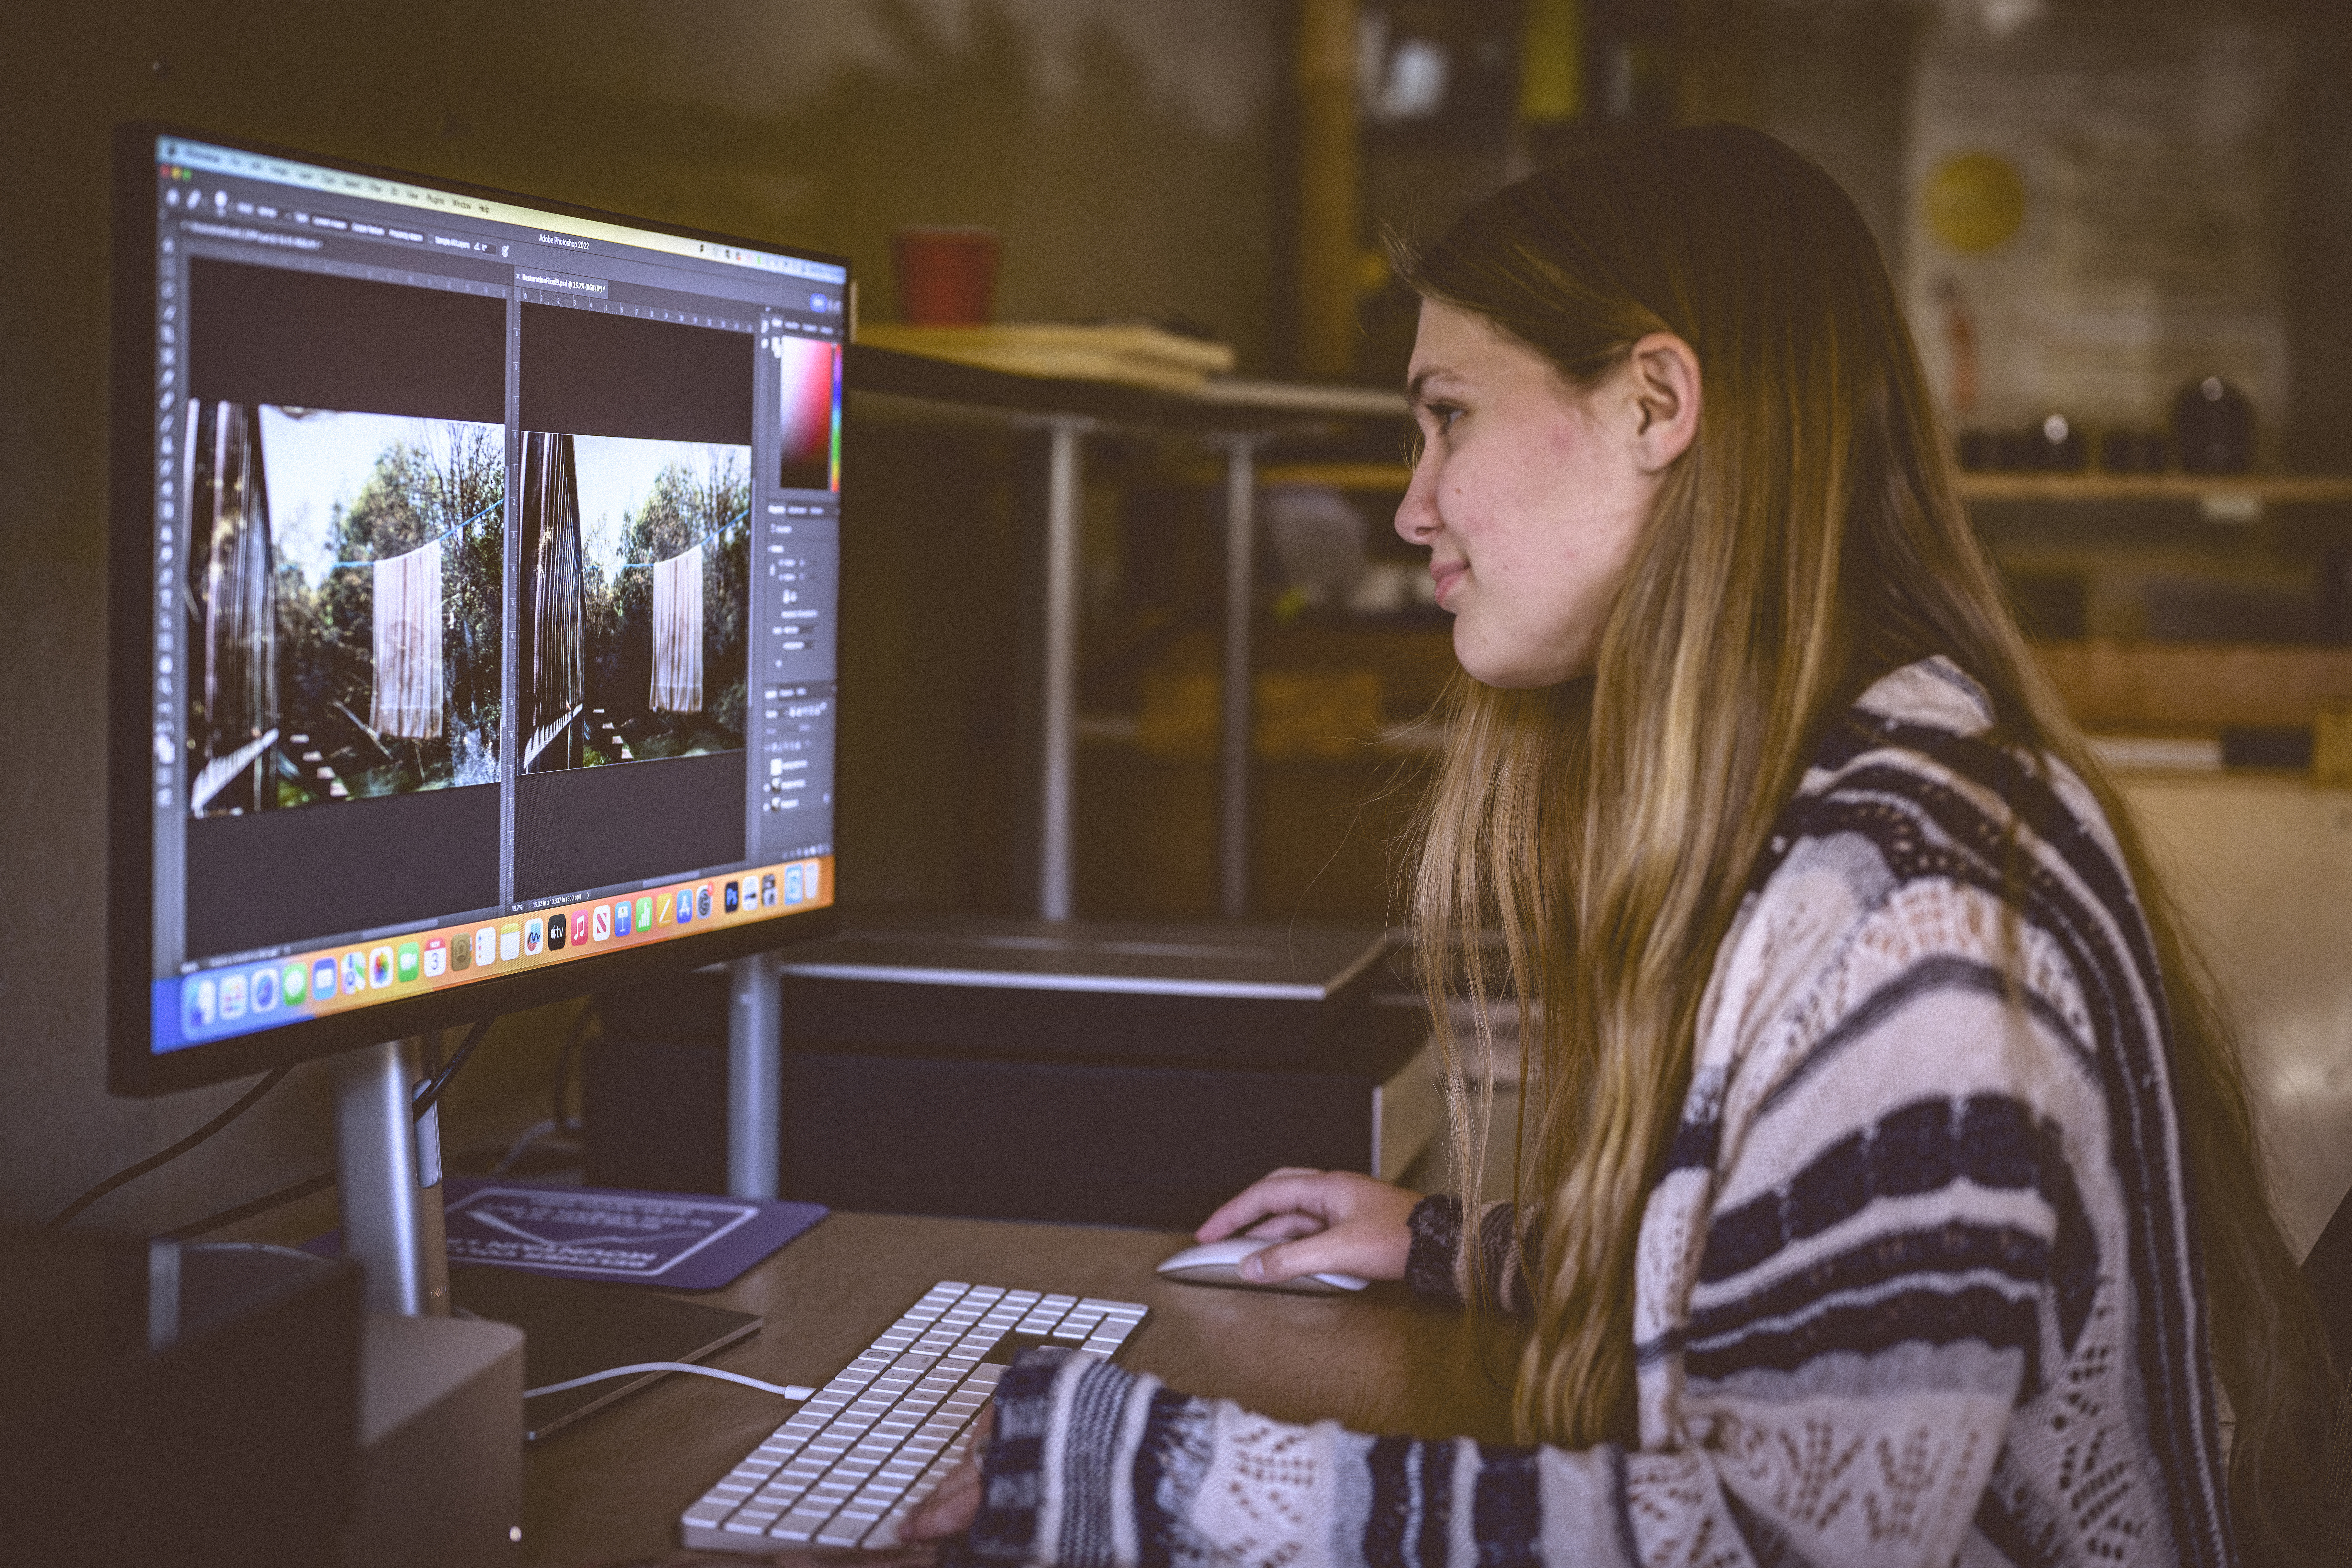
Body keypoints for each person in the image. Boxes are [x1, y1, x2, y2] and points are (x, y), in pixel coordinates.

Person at [883, 124, 2342, 1568]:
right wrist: (1473, 1248)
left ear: (1655, 403)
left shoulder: (1912, 907)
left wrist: (1124, 1463)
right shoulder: (1878, 782)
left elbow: (1755, 1543)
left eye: (1448, 414)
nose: (1412, 506)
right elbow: (1826, 1296)